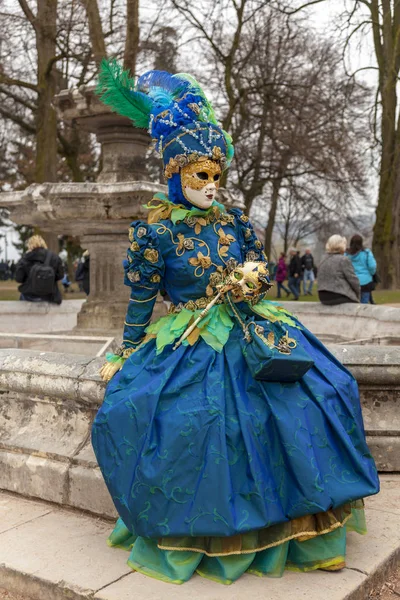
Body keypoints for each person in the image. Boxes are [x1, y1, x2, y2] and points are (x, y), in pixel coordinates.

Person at [92, 63, 379, 585]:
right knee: (195, 420)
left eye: (217, 174)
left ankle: (302, 521)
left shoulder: (235, 222)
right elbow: (140, 302)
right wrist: (126, 351)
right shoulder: (154, 233)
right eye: (201, 173)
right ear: (176, 173)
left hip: (251, 325)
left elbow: (263, 270)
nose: (212, 184)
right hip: (191, 335)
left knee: (323, 388)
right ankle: (207, 530)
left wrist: (251, 279)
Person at [15, 235, 64, 304]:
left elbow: (18, 278)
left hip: (29, 296)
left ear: (29, 245)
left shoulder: (25, 258)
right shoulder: (54, 257)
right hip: (50, 295)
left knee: (23, 297)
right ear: (43, 244)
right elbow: (60, 275)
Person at [317, 235, 360, 305]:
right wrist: (357, 295)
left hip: (323, 296)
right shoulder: (343, 260)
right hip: (339, 295)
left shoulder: (322, 259)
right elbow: (353, 280)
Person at [346, 235, 377, 305]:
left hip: (351, 282)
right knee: (364, 304)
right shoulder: (366, 253)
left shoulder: (346, 254)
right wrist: (371, 274)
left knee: (352, 303)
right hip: (366, 282)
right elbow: (372, 266)